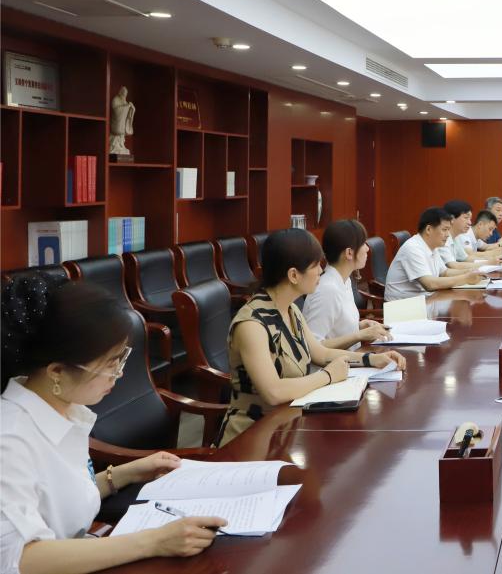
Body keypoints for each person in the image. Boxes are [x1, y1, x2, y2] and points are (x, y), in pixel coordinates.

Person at [1, 276, 227, 574]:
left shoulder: (61, 408)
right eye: (110, 364)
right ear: (56, 371)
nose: (118, 374)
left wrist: (125, 473)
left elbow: (56, 499)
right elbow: (19, 559)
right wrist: (154, 541)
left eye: (120, 360)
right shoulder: (10, 441)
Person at [217, 229, 406, 446]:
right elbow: (273, 392)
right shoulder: (252, 324)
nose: (321, 271)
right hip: (252, 436)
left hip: (288, 426)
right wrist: (327, 376)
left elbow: (320, 353)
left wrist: (372, 359)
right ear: (293, 275)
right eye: (315, 265)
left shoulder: (290, 310)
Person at [302, 219, 391, 347]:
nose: (367, 248)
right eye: (363, 244)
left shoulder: (345, 280)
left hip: (352, 357)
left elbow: (336, 328)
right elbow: (312, 347)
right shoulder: (327, 290)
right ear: (349, 253)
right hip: (337, 360)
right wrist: (359, 335)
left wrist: (360, 326)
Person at [385, 208, 486, 301]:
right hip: (403, 306)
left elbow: (444, 272)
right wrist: (465, 278)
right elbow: (430, 284)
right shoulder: (413, 248)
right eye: (444, 230)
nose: (448, 235)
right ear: (429, 229)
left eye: (448, 230)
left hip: (424, 300)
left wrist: (468, 272)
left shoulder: (432, 246)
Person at [439, 200, 502, 269]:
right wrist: (488, 263)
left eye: (470, 219)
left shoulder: (456, 237)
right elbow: (453, 266)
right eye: (466, 218)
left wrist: (492, 260)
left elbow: (466, 258)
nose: (469, 223)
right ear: (452, 218)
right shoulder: (442, 238)